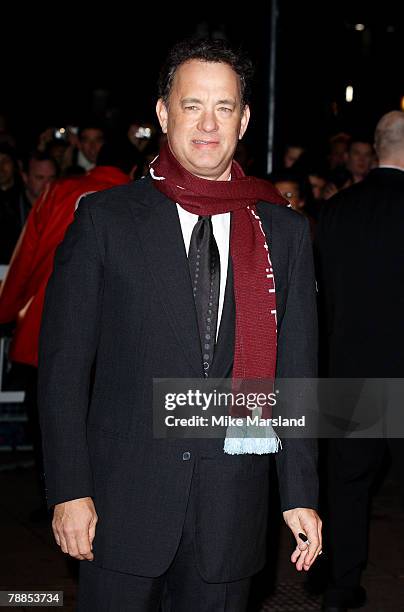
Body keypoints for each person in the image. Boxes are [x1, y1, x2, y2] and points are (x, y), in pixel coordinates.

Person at [38, 38, 322, 611]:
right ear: (164, 114)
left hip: (231, 511)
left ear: (244, 120)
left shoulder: (283, 233)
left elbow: (296, 374)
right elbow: (63, 369)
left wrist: (300, 493)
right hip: (119, 509)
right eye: (192, 105)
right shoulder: (105, 221)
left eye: (223, 107)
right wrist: (70, 489)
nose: (208, 124)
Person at [315, 110, 404, 612]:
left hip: (351, 371)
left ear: (376, 146)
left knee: (347, 486)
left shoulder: (337, 210)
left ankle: (341, 585)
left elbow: (321, 295)